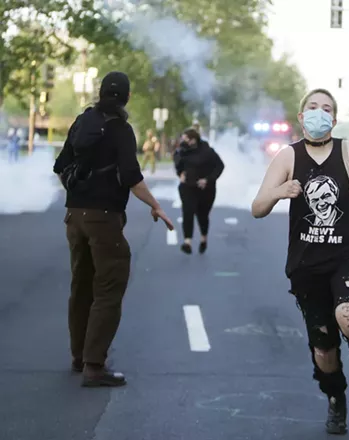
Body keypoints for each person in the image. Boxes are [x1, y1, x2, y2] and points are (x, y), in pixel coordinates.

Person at [251, 88, 349, 435]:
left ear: (334, 117)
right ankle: (336, 400)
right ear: (301, 117)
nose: (319, 113)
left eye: (326, 108)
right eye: (312, 108)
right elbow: (258, 208)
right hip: (307, 264)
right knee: (324, 352)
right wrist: (278, 192)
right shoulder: (287, 157)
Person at [53, 71, 174, 387]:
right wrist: (155, 205)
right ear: (127, 98)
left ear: (100, 92)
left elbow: (60, 166)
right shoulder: (121, 129)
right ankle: (95, 366)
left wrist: (77, 195)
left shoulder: (82, 121)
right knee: (109, 287)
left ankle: (79, 357)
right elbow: (132, 176)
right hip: (104, 218)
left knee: (81, 286)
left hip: (74, 217)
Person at [174, 128, 225, 254]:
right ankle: (187, 242)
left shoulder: (208, 152)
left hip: (205, 189)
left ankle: (203, 238)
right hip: (187, 187)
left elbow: (220, 166)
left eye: (186, 140)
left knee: (202, 215)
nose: (184, 142)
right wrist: (180, 173)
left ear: (193, 140)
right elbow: (178, 165)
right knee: (188, 212)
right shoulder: (182, 151)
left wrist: (207, 179)